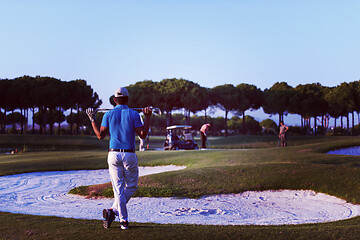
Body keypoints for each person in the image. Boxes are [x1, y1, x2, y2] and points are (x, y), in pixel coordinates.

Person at [86, 87, 152, 230]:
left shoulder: (108, 115)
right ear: (127, 99)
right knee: (131, 186)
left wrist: (92, 120)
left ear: (114, 100)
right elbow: (143, 135)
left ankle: (113, 211)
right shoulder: (134, 114)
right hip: (129, 154)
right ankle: (123, 220)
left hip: (113, 154)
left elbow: (100, 136)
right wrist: (147, 117)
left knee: (118, 189)